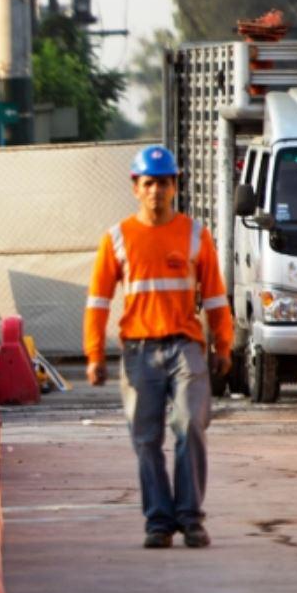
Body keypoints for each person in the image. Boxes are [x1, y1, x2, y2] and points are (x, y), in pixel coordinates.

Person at [85, 145, 234, 550]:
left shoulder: (194, 235)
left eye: (164, 183)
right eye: (149, 183)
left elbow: (216, 298)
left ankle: (190, 518)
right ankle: (158, 522)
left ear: (175, 186)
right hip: (139, 352)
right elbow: (98, 301)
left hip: (186, 347)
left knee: (190, 425)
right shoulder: (117, 239)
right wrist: (94, 354)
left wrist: (224, 344)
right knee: (146, 439)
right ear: (136, 188)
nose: (156, 191)